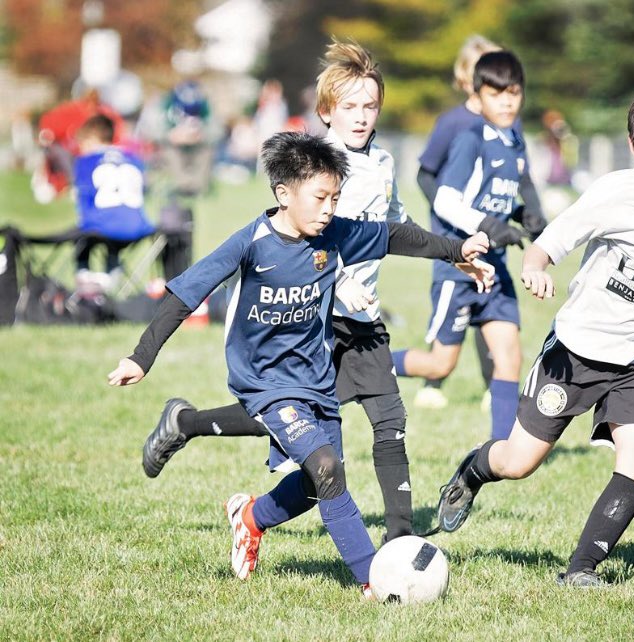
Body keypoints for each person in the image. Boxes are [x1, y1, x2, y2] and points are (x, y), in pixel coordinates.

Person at [139, 39, 490, 543]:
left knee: (390, 421)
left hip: (362, 323)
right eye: (350, 105)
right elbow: (303, 243)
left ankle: (400, 542)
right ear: (326, 111)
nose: (362, 115)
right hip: (314, 322)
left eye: (370, 105)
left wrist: (454, 251)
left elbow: (391, 229)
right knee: (293, 438)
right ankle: (190, 426)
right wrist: (341, 280)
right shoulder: (313, 165)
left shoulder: (384, 164)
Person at [108, 131, 492, 591]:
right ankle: (373, 581)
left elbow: (392, 235)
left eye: (335, 197)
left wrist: (456, 250)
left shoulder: (332, 233)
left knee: (315, 486)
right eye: (320, 197)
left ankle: (249, 516)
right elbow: (185, 295)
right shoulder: (252, 243)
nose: (329, 208)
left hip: (315, 379)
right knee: (327, 466)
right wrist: (140, 357)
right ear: (284, 194)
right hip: (264, 380)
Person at [434, 86, 634, 588]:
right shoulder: (614, 193)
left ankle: (580, 569)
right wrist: (535, 269)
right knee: (519, 462)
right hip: (575, 353)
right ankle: (472, 472)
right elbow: (548, 244)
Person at [392, 50, 529, 442]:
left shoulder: (513, 139)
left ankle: (501, 450)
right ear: (477, 96)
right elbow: (446, 200)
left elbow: (502, 196)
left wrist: (524, 217)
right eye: (496, 93)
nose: (506, 101)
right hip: (460, 266)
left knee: (510, 357)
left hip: (495, 268)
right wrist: (487, 226)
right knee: (439, 365)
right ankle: (360, 367)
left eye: (514, 92)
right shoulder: (471, 139)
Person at [412, 35, 548, 411]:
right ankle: (418, 377)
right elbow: (431, 181)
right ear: (470, 79)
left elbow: (517, 179)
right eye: (491, 79)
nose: (504, 93)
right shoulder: (458, 126)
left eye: (511, 87)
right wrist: (462, 230)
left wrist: (527, 215)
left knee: (505, 347)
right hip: (457, 246)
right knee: (444, 353)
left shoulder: (510, 128)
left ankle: (501, 432)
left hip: (494, 251)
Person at [72, 114, 154, 284]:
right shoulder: (133, 158)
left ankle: (83, 273)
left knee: (85, 230)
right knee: (114, 216)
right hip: (139, 227)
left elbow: (83, 202)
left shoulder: (85, 161)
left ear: (91, 139)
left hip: (102, 229)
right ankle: (112, 266)